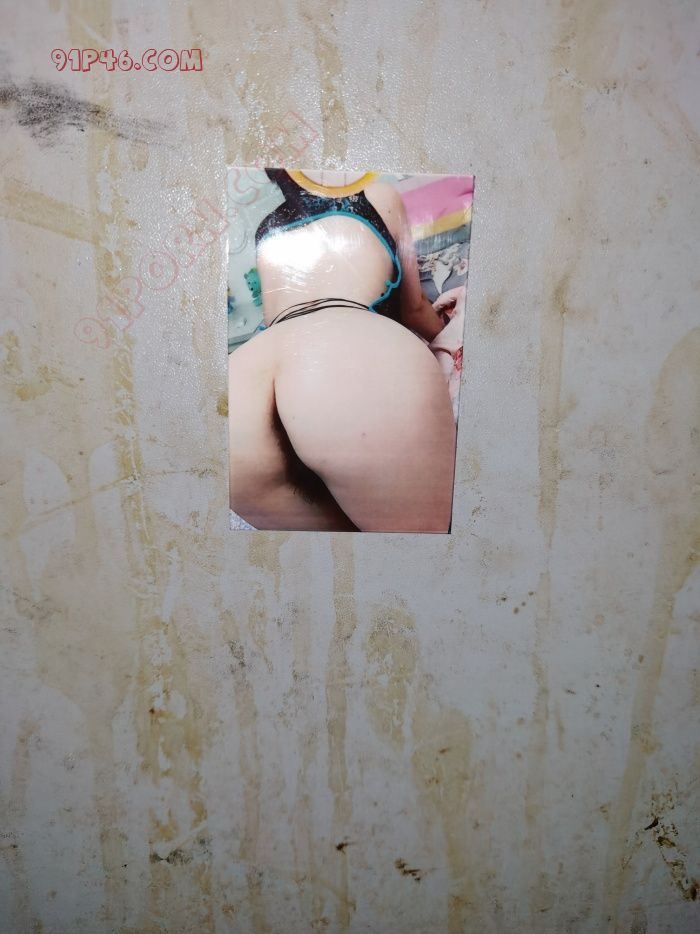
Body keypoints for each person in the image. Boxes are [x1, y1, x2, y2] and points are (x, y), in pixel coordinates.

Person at [228, 169, 457, 532]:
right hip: (345, 355)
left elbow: (273, 322)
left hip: (240, 385)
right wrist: (451, 331)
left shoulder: (265, 228)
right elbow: (415, 310)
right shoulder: (378, 195)